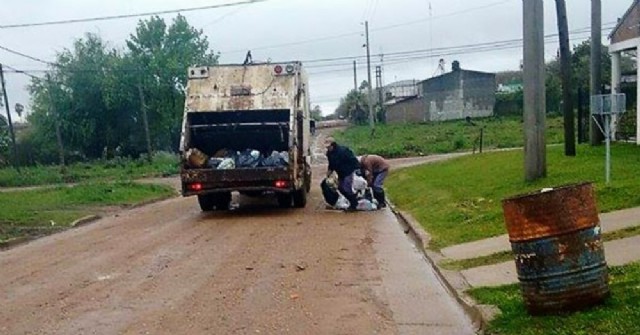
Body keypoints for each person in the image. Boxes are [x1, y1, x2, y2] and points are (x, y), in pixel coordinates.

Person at [325, 137, 360, 211]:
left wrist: (357, 169)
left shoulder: (343, 151)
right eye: (327, 147)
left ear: (333, 145)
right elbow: (331, 164)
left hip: (348, 171)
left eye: (329, 147)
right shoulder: (329, 153)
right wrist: (329, 172)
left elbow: (353, 159)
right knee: (340, 188)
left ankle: (354, 205)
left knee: (347, 188)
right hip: (340, 173)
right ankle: (353, 201)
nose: (328, 148)